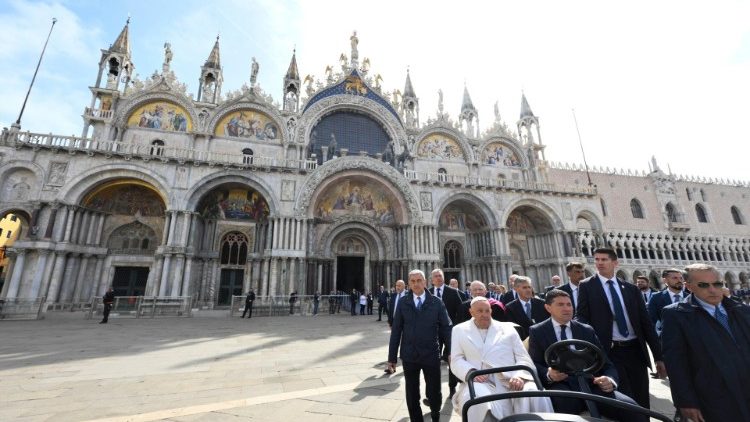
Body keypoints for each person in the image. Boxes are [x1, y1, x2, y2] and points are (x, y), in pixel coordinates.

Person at [528, 290, 646, 421]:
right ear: (548, 307)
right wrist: (549, 374)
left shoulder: (586, 330)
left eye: (569, 304)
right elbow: (535, 363)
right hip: (561, 387)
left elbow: (605, 363)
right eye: (560, 304)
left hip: (592, 384)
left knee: (633, 410)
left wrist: (609, 379)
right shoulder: (537, 331)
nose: (567, 308)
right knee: (562, 411)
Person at [576, 248, 666, 409]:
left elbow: (645, 323)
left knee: (641, 397)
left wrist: (658, 356)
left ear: (615, 263)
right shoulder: (587, 286)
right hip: (609, 351)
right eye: (597, 259)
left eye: (604, 259)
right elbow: (581, 317)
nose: (599, 263)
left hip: (635, 350)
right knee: (623, 399)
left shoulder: (630, 289)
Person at [661, 263, 750, 422]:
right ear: (689, 286)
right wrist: (686, 401)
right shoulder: (676, 314)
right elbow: (676, 362)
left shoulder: (740, 309)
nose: (712, 289)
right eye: (704, 285)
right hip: (715, 396)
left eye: (717, 284)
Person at [451, 297, 553, 421]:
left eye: (487, 311)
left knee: (533, 392)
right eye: (480, 311)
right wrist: (470, 372)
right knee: (476, 399)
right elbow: (456, 359)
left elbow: (523, 356)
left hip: (511, 379)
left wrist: (520, 376)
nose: (484, 314)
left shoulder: (508, 328)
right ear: (471, 312)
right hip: (481, 380)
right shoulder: (459, 330)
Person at [387, 270, 451, 422]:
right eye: (413, 281)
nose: (416, 284)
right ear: (409, 284)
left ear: (425, 282)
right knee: (411, 393)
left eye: (419, 280)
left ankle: (435, 413)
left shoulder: (436, 302)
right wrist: (391, 358)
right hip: (410, 355)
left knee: (434, 391)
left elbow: (446, 328)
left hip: (431, 353)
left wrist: (451, 351)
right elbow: (396, 331)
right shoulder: (403, 302)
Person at [428, 268, 463, 397]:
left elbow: (460, 310)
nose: (438, 278)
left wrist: (457, 328)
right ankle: (434, 391)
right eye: (436, 276)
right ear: (432, 279)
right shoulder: (429, 293)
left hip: (450, 331)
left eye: (440, 276)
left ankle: (452, 387)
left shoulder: (453, 292)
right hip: (433, 331)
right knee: (432, 360)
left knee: (451, 358)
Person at [647, 269, 687, 335]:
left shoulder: (691, 297)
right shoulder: (656, 298)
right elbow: (652, 320)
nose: (679, 280)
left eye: (681, 278)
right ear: (665, 280)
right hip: (668, 337)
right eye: (675, 278)